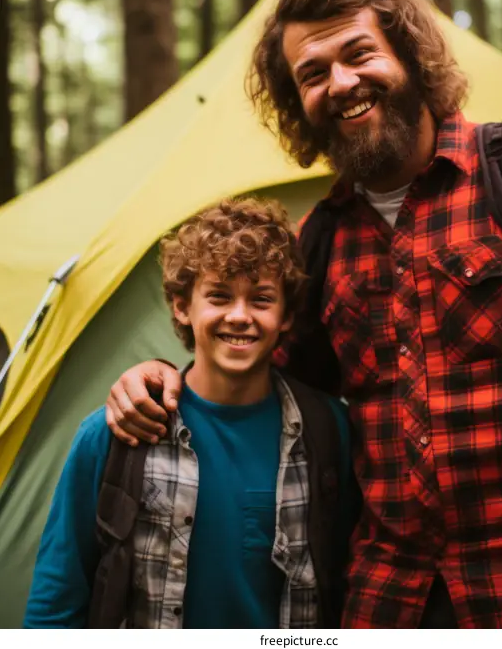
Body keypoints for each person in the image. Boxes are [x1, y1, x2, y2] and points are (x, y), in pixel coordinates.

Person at [105, 0, 502, 629]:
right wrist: (161, 377)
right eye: (312, 74)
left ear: (412, 56)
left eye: (359, 53)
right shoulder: (320, 242)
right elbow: (262, 394)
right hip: (387, 603)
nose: (340, 83)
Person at [24, 198, 357, 629]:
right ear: (182, 306)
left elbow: (350, 581)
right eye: (219, 296)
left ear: (287, 315)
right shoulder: (114, 433)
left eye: (261, 299)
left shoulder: (329, 431)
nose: (239, 316)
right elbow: (55, 601)